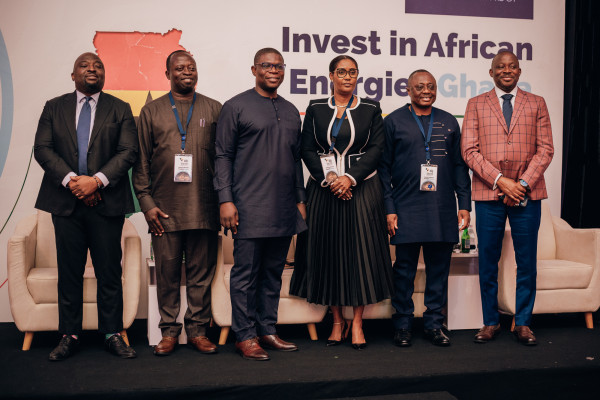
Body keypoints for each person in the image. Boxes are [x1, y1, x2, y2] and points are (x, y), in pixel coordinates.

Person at [33, 52, 138, 360]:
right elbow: (43, 148)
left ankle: (112, 334)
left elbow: (128, 151)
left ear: (104, 74)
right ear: (73, 75)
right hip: (66, 204)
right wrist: (73, 182)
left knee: (109, 272)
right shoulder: (53, 107)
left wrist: (97, 181)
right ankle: (69, 335)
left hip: (107, 203)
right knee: (69, 272)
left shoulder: (120, 108)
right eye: (84, 65)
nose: (92, 69)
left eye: (98, 65)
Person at [290, 55, 393, 350]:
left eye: (352, 72)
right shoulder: (316, 108)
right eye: (341, 72)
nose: (347, 77)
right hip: (324, 190)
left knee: (361, 255)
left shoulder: (371, 108)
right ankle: (336, 320)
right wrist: (331, 178)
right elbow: (306, 149)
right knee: (329, 253)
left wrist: (349, 178)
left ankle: (357, 322)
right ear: (331, 76)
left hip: (363, 189)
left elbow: (377, 149)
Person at [214, 48, 307, 361]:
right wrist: (225, 199)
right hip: (248, 206)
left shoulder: (291, 110)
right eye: (267, 65)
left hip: (283, 207)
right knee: (246, 275)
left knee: (273, 273)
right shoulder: (235, 106)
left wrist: (300, 199)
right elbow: (223, 156)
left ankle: (267, 330)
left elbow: (295, 160)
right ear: (254, 69)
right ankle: (245, 335)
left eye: (279, 66)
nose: (274, 70)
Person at [461, 51, 554, 346]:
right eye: (500, 66)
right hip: (489, 192)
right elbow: (469, 151)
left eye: (512, 66)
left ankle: (523, 322)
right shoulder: (475, 104)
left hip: (528, 193)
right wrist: (501, 181)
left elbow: (546, 149)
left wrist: (522, 184)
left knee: (526, 262)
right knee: (488, 260)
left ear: (519, 71)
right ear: (491, 72)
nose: (506, 70)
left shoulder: (537, 103)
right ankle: (490, 322)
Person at [133, 50, 222, 356]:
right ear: (167, 73)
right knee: (167, 275)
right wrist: (146, 203)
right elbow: (140, 162)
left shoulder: (214, 108)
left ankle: (198, 331)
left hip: (204, 207)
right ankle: (169, 331)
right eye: (180, 68)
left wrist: (224, 201)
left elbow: (224, 160)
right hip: (164, 209)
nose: (187, 72)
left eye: (191, 67)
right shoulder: (151, 111)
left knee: (201, 274)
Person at [378, 70, 471, 347]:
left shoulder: (448, 121)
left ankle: (433, 325)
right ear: (408, 89)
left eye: (431, 86)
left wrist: (464, 204)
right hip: (405, 207)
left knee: (438, 270)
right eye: (419, 86)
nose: (426, 91)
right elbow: (383, 169)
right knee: (404, 270)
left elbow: (459, 166)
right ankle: (403, 325)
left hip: (442, 208)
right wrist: (389, 208)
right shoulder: (393, 121)